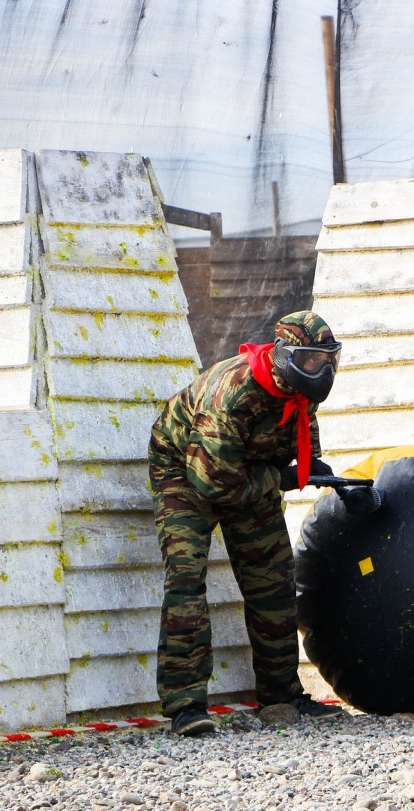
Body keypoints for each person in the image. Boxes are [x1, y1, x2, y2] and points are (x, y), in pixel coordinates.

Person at [150, 311, 371, 736]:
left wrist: (316, 470)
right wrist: (280, 479)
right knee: (185, 580)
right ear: (285, 355)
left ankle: (281, 697)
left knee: (273, 581)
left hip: (245, 473)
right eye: (311, 361)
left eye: (329, 360)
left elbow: (299, 439)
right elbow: (214, 485)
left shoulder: (298, 390)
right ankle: (185, 706)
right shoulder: (232, 394)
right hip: (186, 474)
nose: (321, 370)